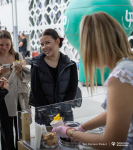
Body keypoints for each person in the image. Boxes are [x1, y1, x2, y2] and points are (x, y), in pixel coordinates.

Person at [53, 12, 133, 150]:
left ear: (96, 45)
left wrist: (70, 132)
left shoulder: (120, 76)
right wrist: (82, 127)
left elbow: (111, 143)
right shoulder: (128, 66)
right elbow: (115, 112)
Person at [29, 28, 78, 123]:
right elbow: (36, 91)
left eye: (47, 43)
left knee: (65, 137)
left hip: (64, 113)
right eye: (42, 44)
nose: (44, 47)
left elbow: (72, 91)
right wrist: (49, 112)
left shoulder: (70, 65)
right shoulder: (36, 64)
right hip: (44, 113)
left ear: (57, 41)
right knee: (46, 138)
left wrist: (61, 111)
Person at [0, 30, 30, 150]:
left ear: (11, 44)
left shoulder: (16, 56)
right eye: (1, 45)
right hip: (2, 98)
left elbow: (23, 78)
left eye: (7, 45)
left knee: (21, 130)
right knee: (6, 130)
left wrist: (20, 70)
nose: (4, 48)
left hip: (18, 96)